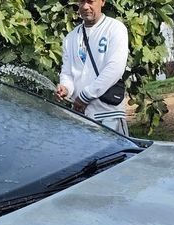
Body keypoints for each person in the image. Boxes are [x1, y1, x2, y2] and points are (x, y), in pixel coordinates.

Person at [55, 0, 129, 135]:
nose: (85, 6)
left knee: (116, 155)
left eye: (90, 1)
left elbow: (115, 68)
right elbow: (67, 73)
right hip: (81, 117)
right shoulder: (70, 38)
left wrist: (84, 96)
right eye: (81, 1)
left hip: (108, 115)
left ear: (102, 2)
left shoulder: (115, 28)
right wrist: (65, 88)